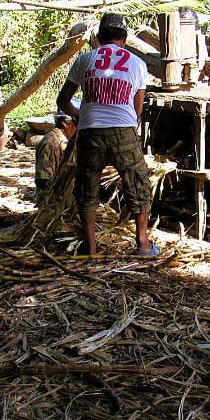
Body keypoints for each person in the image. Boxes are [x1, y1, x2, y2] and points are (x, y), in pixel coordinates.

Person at [56, 13, 157, 256]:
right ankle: (143, 243)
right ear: (124, 38)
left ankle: (91, 247)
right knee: (138, 183)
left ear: (100, 38)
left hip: (90, 132)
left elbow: (63, 101)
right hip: (123, 131)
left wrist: (82, 116)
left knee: (87, 187)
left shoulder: (84, 60)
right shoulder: (137, 64)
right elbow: (137, 110)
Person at [35, 113, 76, 200]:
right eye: (76, 123)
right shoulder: (51, 142)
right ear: (65, 124)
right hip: (53, 196)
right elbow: (43, 177)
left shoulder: (65, 140)